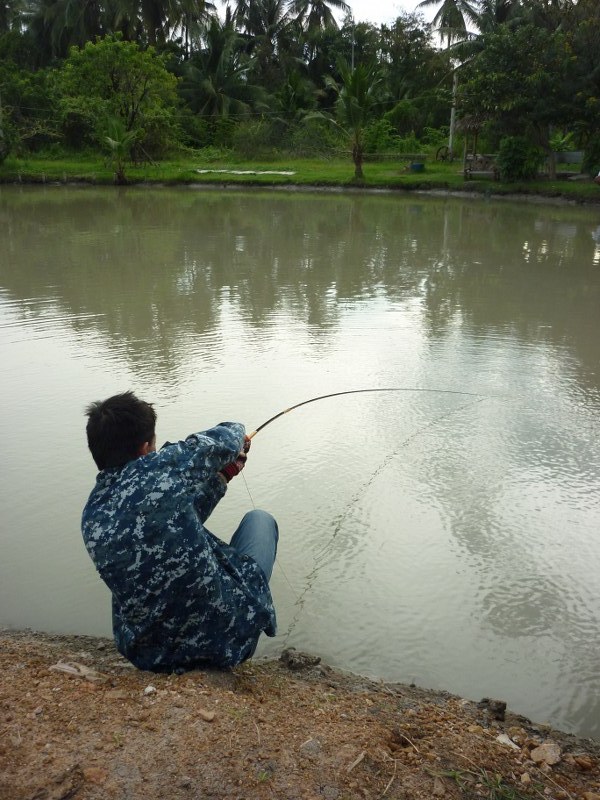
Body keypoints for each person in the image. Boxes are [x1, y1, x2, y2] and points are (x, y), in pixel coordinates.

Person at [81, 391, 278, 672]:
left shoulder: (93, 513)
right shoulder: (158, 469)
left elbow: (174, 519)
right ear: (145, 447)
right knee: (260, 520)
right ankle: (243, 621)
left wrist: (222, 477)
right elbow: (227, 436)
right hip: (225, 644)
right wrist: (239, 437)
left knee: (133, 563)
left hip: (150, 658)